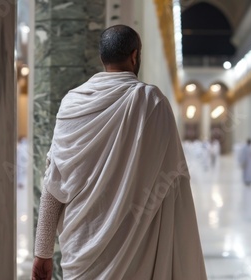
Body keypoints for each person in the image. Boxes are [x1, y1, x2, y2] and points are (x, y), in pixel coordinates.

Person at [32, 25, 207, 280]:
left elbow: (53, 181)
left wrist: (42, 250)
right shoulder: (152, 102)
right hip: (135, 249)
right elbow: (173, 179)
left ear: (102, 57)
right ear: (135, 56)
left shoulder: (72, 102)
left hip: (81, 247)